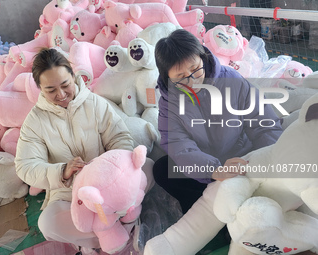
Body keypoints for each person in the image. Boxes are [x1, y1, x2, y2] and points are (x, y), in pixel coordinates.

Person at [15, 48, 154, 255]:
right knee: (48, 223)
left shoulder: (94, 103)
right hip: (72, 195)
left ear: (73, 76)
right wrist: (62, 172)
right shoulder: (35, 122)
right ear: (40, 88)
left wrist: (115, 169)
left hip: (110, 184)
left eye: (65, 85)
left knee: (149, 167)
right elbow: (26, 166)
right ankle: (114, 232)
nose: (61, 95)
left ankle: (116, 231)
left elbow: (120, 137)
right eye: (51, 90)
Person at [153, 29, 283, 214]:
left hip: (242, 158)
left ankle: (235, 208)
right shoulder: (169, 101)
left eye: (195, 69)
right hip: (206, 168)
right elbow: (178, 144)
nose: (192, 81)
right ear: (168, 77)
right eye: (181, 77)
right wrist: (214, 170)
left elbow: (262, 121)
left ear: (202, 57)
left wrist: (272, 158)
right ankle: (208, 212)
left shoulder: (231, 81)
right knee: (162, 170)